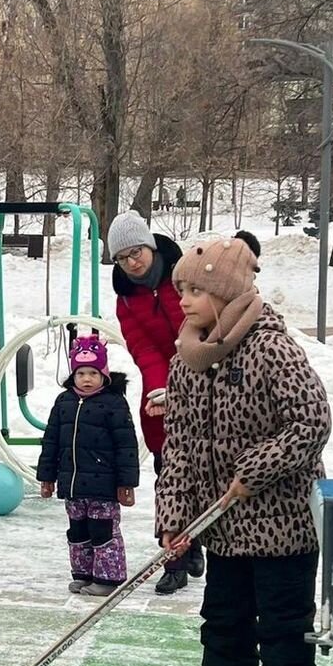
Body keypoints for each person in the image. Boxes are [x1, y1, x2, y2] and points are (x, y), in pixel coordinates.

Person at [155, 235, 331, 666]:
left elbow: (312, 422)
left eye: (194, 289)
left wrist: (253, 471)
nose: (182, 299)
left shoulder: (271, 348)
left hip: (282, 525)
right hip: (225, 525)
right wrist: (174, 518)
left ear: (226, 291)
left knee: (281, 630)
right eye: (180, 288)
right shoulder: (188, 356)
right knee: (224, 621)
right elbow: (180, 442)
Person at [106, 209, 201, 596]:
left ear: (150, 245)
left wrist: (192, 374)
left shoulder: (187, 276)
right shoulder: (126, 301)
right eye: (123, 256)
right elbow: (143, 348)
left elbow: (207, 327)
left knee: (206, 472)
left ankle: (202, 540)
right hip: (161, 389)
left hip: (205, 377)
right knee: (170, 475)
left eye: (137, 251)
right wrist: (162, 388)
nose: (133, 261)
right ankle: (175, 558)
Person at [36, 335, 138, 597]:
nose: (87, 378)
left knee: (102, 531)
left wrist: (126, 483)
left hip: (103, 485)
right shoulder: (64, 402)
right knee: (78, 531)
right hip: (72, 483)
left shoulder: (114, 403)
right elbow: (51, 441)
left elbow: (126, 445)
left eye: (93, 372)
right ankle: (83, 574)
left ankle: (107, 578)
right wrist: (47, 477)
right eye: (81, 373)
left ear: (104, 374)